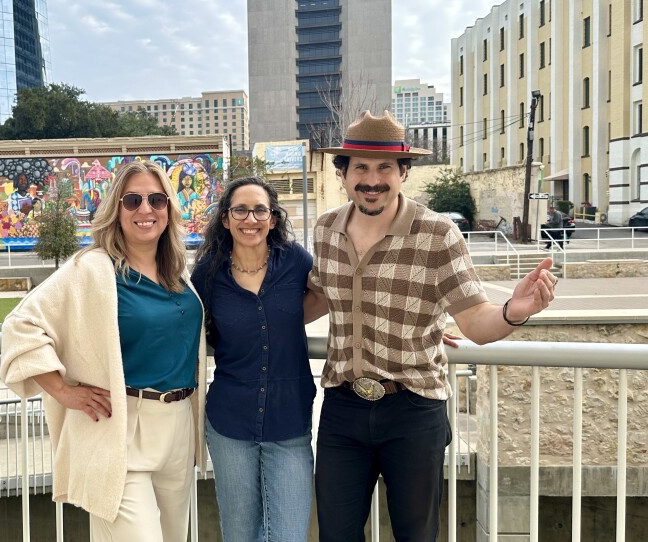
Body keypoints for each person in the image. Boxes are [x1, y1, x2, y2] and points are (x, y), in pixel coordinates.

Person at [308, 111, 557, 542]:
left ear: (404, 172)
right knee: (335, 533)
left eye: (385, 167)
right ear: (343, 174)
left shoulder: (438, 233)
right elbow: (314, 298)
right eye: (360, 167)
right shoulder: (327, 229)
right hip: (342, 409)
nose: (372, 179)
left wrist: (515, 310)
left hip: (413, 410)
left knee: (416, 534)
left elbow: (476, 323)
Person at [0, 160, 207, 542]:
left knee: (175, 536)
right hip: (121, 428)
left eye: (156, 200)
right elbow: (21, 326)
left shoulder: (177, 270)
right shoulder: (92, 268)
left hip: (179, 428)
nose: (146, 210)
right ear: (116, 209)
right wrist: (63, 391)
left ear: (169, 209)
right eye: (133, 200)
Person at [191, 177, 317, 542]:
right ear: (226, 219)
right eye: (240, 210)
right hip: (230, 424)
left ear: (273, 218)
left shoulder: (295, 261)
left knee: (288, 535)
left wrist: (426, 327)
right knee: (241, 535)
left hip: (289, 423)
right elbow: (186, 327)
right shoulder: (208, 273)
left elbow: (341, 293)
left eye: (260, 209)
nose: (251, 218)